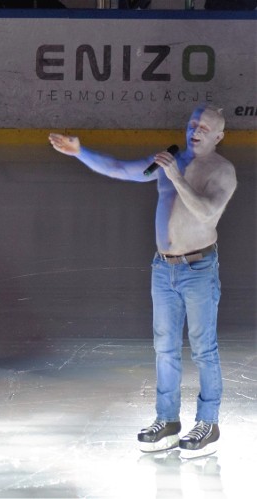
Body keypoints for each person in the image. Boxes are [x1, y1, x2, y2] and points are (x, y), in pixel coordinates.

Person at [48, 105, 237, 458]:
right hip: (163, 269)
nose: (195, 130)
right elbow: (121, 169)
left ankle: (207, 423)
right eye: (192, 123)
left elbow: (207, 213)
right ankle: (167, 420)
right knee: (164, 347)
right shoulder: (168, 162)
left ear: (218, 136)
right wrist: (80, 152)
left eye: (204, 127)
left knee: (203, 349)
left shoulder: (222, 172)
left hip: (198, 270)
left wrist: (177, 177)